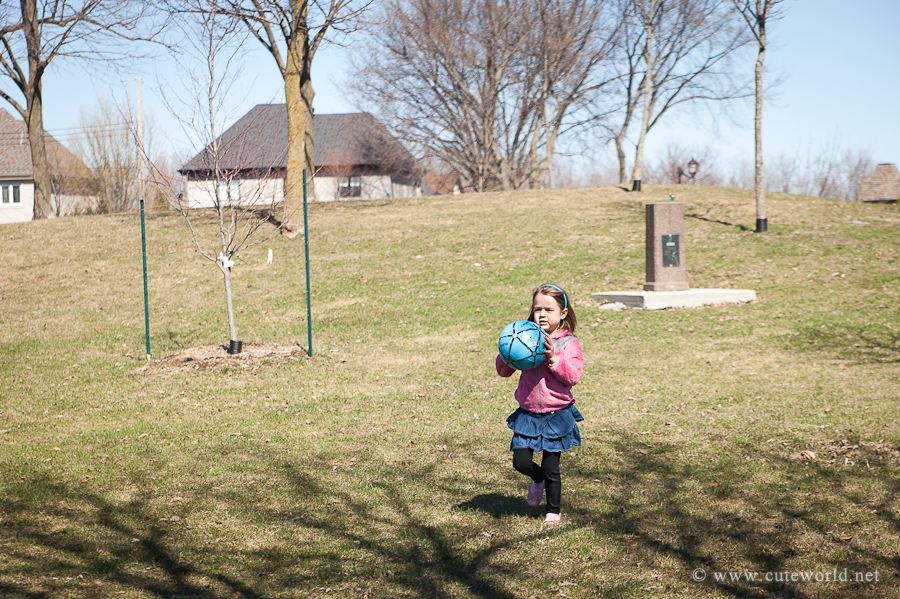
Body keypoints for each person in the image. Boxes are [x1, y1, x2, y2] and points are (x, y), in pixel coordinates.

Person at [496, 283, 584, 524]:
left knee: (551, 467)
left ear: (563, 313)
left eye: (549, 309)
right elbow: (504, 372)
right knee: (521, 461)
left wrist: (554, 358)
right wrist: (507, 352)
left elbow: (573, 376)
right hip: (528, 414)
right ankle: (537, 480)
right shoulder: (524, 335)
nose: (542, 314)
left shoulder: (568, 343)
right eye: (537, 309)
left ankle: (553, 511)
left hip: (557, 415)